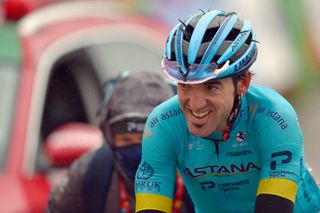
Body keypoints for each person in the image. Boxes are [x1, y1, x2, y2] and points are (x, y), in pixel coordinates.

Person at [134, 9, 320, 213]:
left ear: (243, 83)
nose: (195, 105)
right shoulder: (163, 125)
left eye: (211, 87)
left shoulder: (273, 116)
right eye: (184, 86)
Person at [47, 71, 194, 213]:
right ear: (110, 138)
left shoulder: (201, 171)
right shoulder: (91, 172)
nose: (138, 150)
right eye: (126, 140)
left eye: (147, 139)